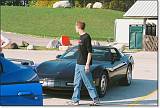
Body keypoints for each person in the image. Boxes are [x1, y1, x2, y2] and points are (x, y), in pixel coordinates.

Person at [68, 21, 100, 106]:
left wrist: (87, 65)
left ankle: (95, 99)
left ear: (78, 27)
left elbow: (90, 52)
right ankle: (75, 100)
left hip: (83, 64)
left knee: (88, 82)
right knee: (76, 83)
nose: (74, 28)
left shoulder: (86, 37)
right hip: (78, 64)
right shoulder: (80, 37)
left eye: (75, 26)